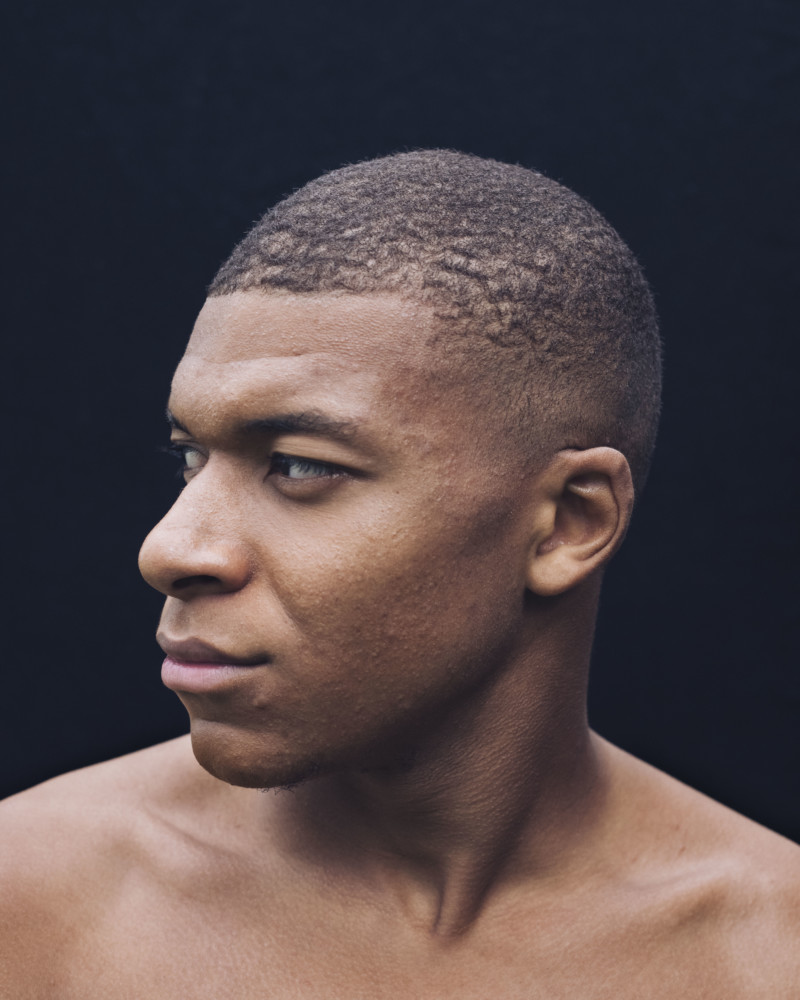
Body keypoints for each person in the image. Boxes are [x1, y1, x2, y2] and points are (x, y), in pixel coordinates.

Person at [1, 150, 797, 999]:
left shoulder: (767, 958)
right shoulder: (33, 901)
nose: (169, 550)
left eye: (301, 465)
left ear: (571, 521)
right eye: (190, 457)